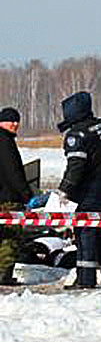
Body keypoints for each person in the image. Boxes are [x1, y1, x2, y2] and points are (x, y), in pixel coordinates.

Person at [58, 91, 101, 289]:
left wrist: (64, 189)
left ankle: (86, 280)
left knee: (86, 234)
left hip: (86, 193)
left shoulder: (77, 136)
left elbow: (76, 166)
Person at [0, 107, 32, 286]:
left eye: (17, 120)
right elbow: (13, 173)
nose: (15, 124)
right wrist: (27, 195)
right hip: (9, 200)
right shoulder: (5, 142)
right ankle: (3, 275)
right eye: (11, 120)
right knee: (10, 239)